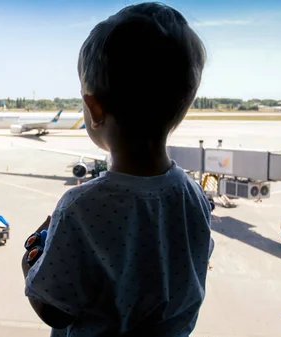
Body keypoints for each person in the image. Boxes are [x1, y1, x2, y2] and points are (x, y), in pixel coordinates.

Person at [21, 2, 214, 336]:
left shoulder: (80, 208)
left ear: (94, 109)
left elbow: (54, 309)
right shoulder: (193, 195)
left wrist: (29, 265)